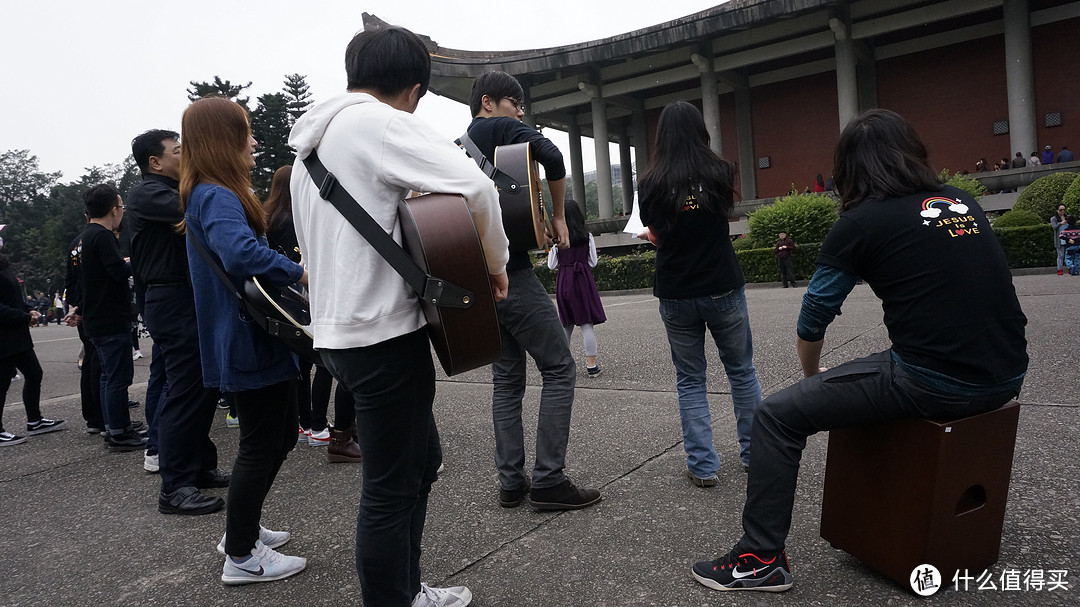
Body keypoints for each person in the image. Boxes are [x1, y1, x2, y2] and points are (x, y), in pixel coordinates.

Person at [691, 109, 1028, 593]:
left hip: (934, 381)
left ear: (848, 168)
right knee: (870, 371)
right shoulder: (960, 202)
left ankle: (759, 558)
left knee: (776, 416)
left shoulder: (862, 221)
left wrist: (811, 375)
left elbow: (814, 316)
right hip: (1007, 374)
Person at [289, 27, 509, 606]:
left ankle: (407, 589)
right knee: (389, 489)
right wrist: (497, 265)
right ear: (414, 89)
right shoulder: (380, 123)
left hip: (337, 335)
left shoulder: (309, 148)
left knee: (423, 460)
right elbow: (478, 189)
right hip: (382, 336)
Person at [179, 97, 307, 585]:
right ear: (223, 140)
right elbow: (239, 252)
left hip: (241, 338)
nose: (253, 142)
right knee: (263, 442)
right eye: (245, 133)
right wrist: (299, 271)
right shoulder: (216, 194)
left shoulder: (206, 194)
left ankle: (243, 529)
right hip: (248, 339)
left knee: (276, 436)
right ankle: (240, 553)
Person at [464, 69, 602, 511]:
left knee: (506, 381)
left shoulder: (459, 148)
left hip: (478, 280)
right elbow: (553, 154)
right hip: (514, 274)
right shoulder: (498, 128)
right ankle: (548, 480)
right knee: (560, 367)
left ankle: (511, 482)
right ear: (488, 102)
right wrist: (559, 216)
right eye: (514, 103)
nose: (520, 113)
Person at [637, 101, 763, 485]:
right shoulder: (721, 171)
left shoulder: (650, 183)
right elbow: (718, 219)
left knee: (690, 379)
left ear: (662, 136)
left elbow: (656, 232)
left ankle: (703, 466)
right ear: (700, 130)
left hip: (676, 290)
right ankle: (755, 455)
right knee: (741, 372)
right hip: (721, 283)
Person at [127, 128, 228, 514]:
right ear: (155, 162)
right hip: (171, 298)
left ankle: (199, 467)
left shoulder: (168, 191)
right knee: (184, 389)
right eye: (178, 151)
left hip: (186, 296)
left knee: (202, 386)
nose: (186, 156)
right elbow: (198, 207)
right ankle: (175, 485)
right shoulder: (149, 193)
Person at [263, 165, 333, 448]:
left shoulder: (267, 217)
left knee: (301, 364)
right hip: (306, 291)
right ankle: (318, 425)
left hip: (281, 298)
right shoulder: (297, 218)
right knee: (324, 360)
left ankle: (305, 422)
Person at [78, 184, 143, 451]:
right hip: (109, 317)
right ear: (113, 209)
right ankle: (119, 432)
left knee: (108, 376)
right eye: (121, 207)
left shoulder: (86, 236)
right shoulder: (102, 236)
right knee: (118, 377)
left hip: (96, 316)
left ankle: (115, 426)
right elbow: (117, 272)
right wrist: (136, 261)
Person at [0, 225, 67, 446]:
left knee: (34, 373)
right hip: (4, 336)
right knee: (1, 383)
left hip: (16, 335)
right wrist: (23, 316)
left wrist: (29, 309)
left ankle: (34, 420)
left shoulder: (4, 266)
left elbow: (14, 299)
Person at [546, 199, 606, 378]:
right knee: (586, 323)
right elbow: (593, 262)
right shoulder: (587, 236)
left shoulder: (558, 239)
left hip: (565, 279)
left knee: (566, 324)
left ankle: (562, 365)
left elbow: (551, 265)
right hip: (582, 280)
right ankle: (592, 366)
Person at [1052, 203, 1069, 275]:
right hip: (1059, 239)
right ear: (1057, 210)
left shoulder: (1067, 217)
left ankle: (1070, 268)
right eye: (1060, 210)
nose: (1062, 212)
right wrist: (1061, 223)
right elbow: (1054, 227)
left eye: (1064, 210)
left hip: (1068, 239)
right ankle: (1060, 269)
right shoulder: (1054, 218)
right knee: (1060, 255)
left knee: (1069, 254)